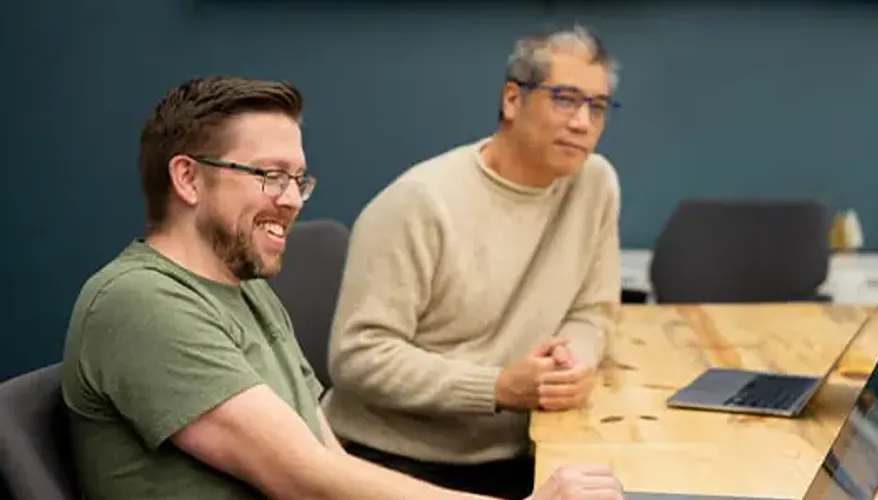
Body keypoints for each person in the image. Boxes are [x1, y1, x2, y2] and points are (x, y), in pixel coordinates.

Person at [60, 75, 624, 500]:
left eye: (298, 179)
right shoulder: (141, 303)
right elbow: (304, 478)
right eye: (269, 175)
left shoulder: (246, 291)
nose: (291, 200)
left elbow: (326, 453)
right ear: (187, 177)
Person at [324, 25, 622, 499]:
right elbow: (358, 356)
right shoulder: (418, 203)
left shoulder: (595, 184)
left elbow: (592, 310)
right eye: (565, 99)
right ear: (511, 100)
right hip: (396, 464)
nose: (583, 122)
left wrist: (571, 364)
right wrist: (498, 387)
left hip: (526, 450)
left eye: (598, 107)